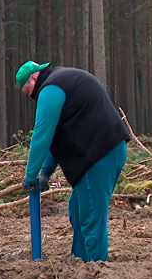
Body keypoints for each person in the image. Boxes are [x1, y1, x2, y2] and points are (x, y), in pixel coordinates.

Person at [16, 61, 130, 262]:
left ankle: (96, 270)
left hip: (98, 156)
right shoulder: (62, 80)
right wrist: (45, 173)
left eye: (27, 91)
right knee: (77, 211)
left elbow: (42, 136)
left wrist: (30, 175)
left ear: (33, 78)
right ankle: (79, 262)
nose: (30, 96)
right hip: (109, 149)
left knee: (92, 216)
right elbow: (56, 137)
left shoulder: (51, 89)